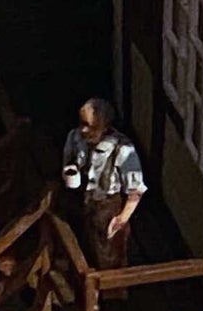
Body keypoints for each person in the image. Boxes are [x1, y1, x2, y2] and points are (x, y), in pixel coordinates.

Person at [61, 97, 146, 272]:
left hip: (108, 206)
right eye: (81, 123)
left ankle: (113, 295)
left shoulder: (122, 149)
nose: (84, 130)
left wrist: (121, 219)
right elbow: (67, 161)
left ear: (105, 126)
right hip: (81, 199)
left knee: (110, 256)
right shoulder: (75, 137)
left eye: (90, 126)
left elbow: (135, 189)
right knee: (81, 247)